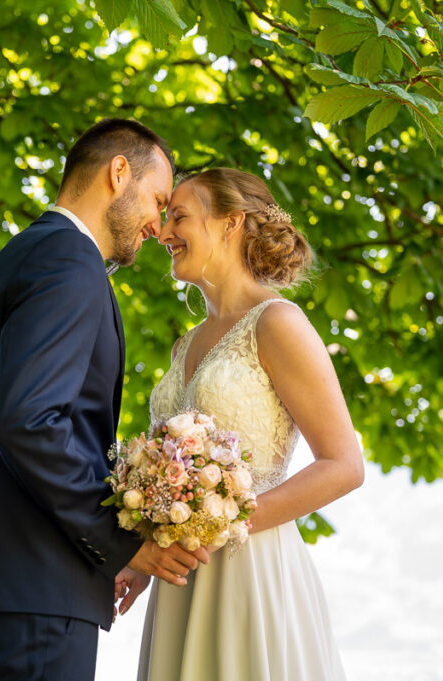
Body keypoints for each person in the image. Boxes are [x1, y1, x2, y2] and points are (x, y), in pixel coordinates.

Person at [0, 119, 209, 681]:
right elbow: (29, 422)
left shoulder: (25, 253)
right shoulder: (70, 263)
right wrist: (118, 544)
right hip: (34, 582)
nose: (159, 224)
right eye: (158, 200)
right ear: (118, 173)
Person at [132, 168, 365, 680]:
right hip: (183, 578)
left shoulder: (278, 323)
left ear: (231, 222)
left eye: (180, 217)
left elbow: (344, 465)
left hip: (252, 570)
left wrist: (223, 525)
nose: (164, 233)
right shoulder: (186, 343)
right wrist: (142, 557)